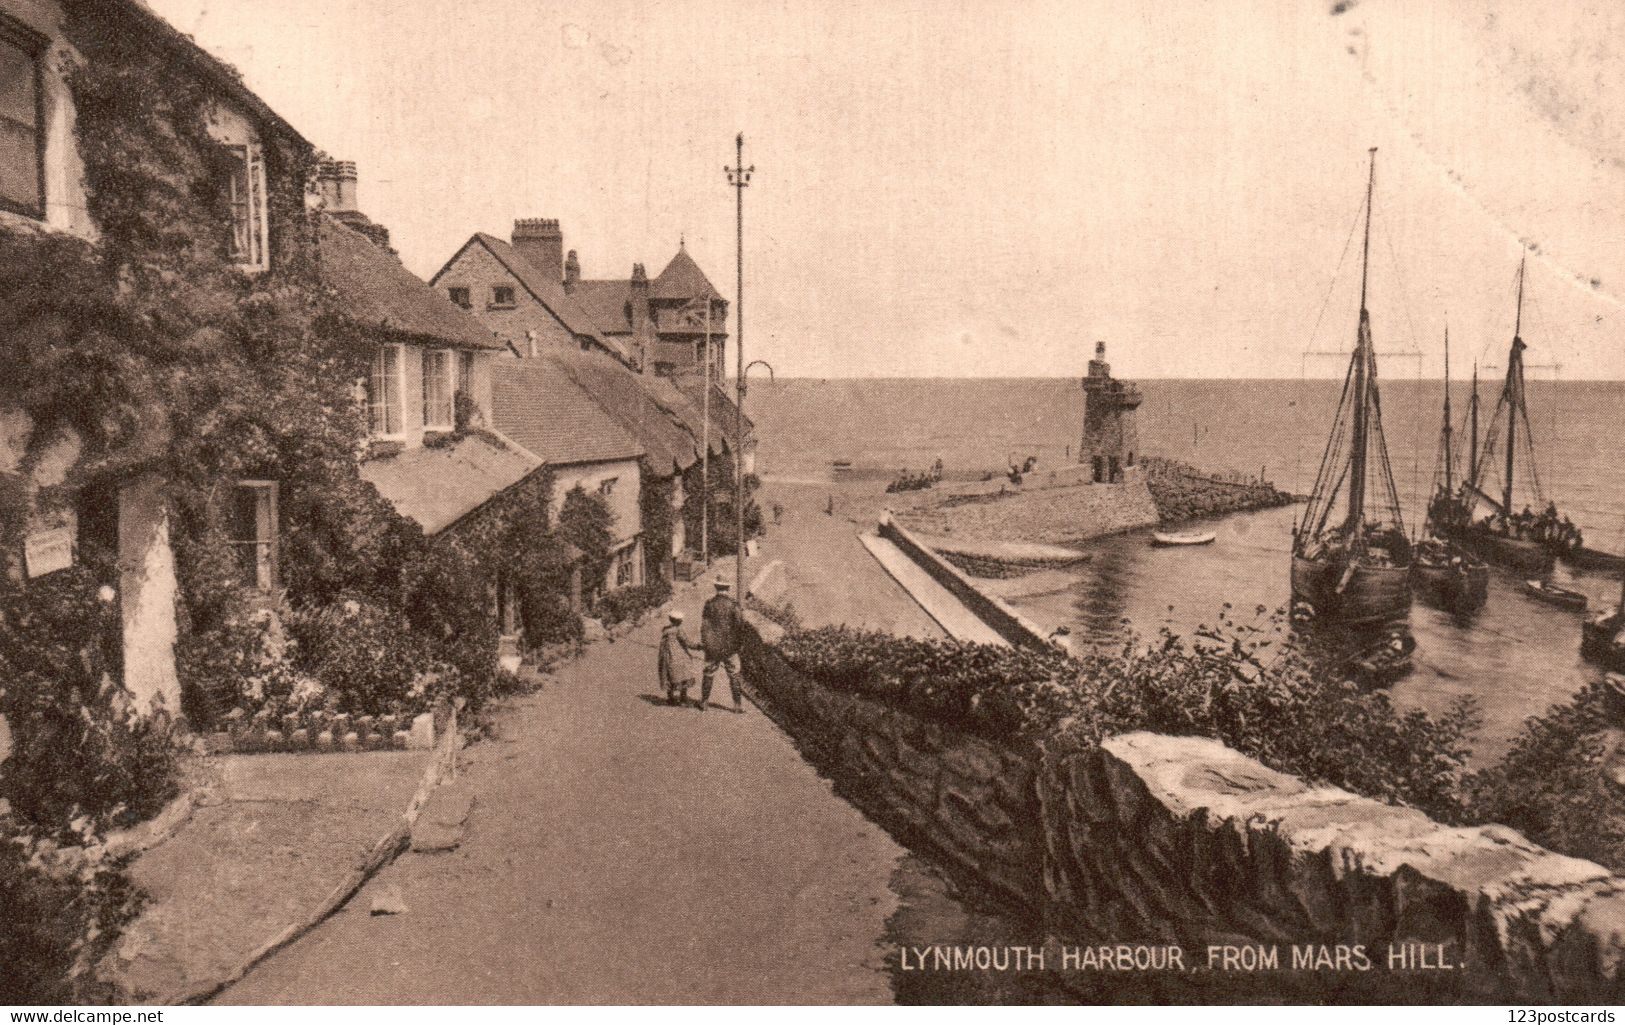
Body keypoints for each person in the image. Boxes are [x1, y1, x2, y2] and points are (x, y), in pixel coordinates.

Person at [700, 578, 746, 713]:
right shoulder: (734, 605)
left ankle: (704, 703)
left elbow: (704, 627)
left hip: (713, 647)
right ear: (728, 589)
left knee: (708, 674)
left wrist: (706, 643)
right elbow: (739, 626)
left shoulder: (709, 604)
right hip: (730, 647)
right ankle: (737, 706)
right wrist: (739, 645)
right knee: (734, 675)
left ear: (716, 588)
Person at [658, 610, 697, 707]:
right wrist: (699, 646)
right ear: (680, 621)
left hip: (666, 656)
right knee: (684, 673)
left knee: (669, 674)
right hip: (679, 656)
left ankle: (670, 698)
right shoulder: (679, 630)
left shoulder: (665, 630)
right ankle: (683, 698)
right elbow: (688, 643)